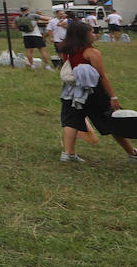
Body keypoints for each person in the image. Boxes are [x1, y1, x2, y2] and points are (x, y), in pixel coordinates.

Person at [58, 20, 137, 163]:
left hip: (72, 92)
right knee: (111, 121)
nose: (94, 34)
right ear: (83, 35)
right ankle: (132, 154)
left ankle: (68, 154)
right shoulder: (91, 52)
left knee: (71, 121)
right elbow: (102, 77)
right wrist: (113, 97)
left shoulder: (66, 50)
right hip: (93, 93)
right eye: (91, 32)